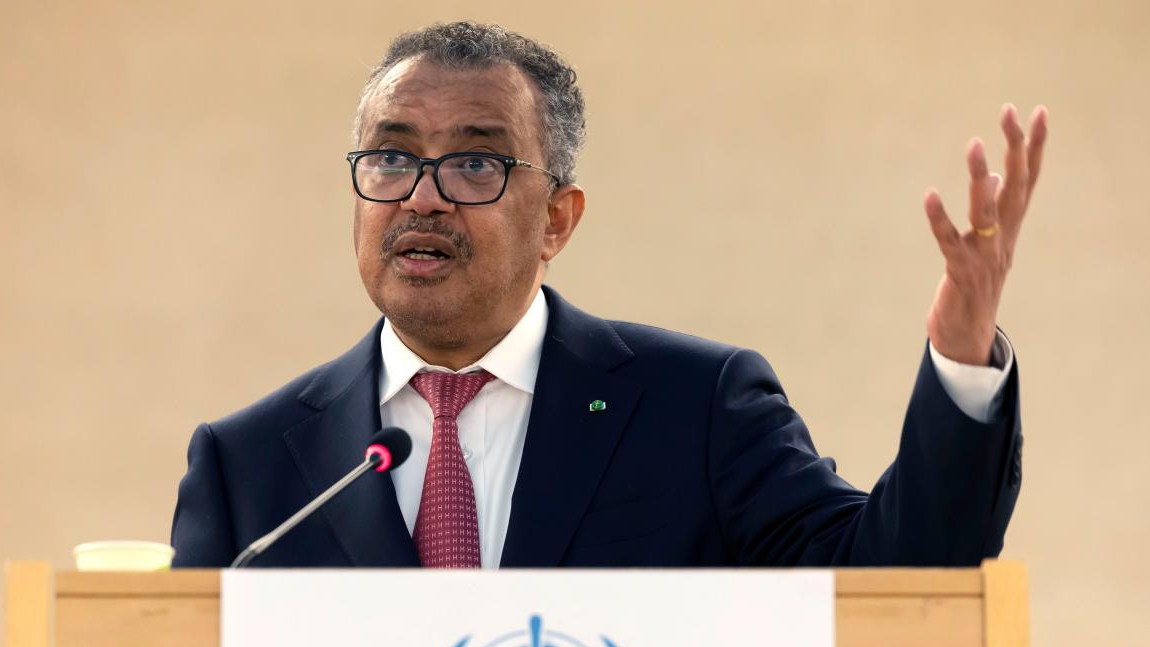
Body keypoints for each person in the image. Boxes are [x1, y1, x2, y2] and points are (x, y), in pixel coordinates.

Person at [170, 21, 1047, 569]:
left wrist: (962, 362)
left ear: (557, 219)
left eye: (475, 160)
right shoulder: (249, 468)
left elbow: (896, 580)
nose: (422, 195)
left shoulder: (696, 409)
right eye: (392, 158)